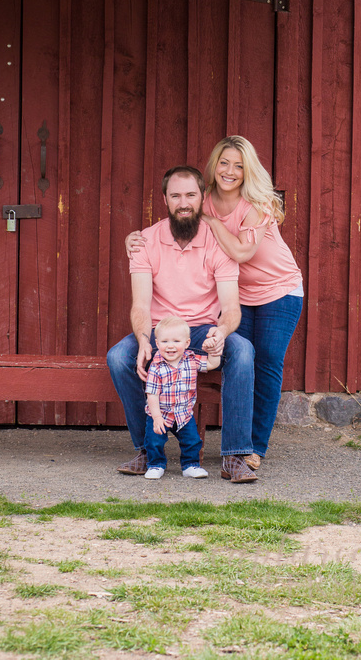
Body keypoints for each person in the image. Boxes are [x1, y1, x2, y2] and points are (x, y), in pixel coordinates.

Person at [126, 138, 303, 471]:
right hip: (237, 294)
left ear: (247, 170)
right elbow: (174, 219)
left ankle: (252, 449)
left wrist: (216, 223)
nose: (230, 171)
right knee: (237, 359)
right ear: (213, 166)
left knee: (264, 364)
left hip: (276, 290)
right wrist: (131, 240)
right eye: (224, 163)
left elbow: (240, 253)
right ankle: (166, 444)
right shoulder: (200, 197)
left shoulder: (257, 204)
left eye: (239, 165)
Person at [108, 165, 258, 483]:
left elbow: (232, 308)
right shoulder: (144, 241)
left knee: (242, 350)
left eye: (190, 194)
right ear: (165, 199)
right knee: (119, 357)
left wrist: (222, 331)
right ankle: (147, 450)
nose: (184, 202)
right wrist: (144, 339)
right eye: (176, 195)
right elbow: (140, 305)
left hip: (203, 327)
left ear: (202, 197)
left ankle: (234, 456)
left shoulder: (220, 242)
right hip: (161, 328)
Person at [144, 315, 221, 480]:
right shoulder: (156, 366)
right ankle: (156, 465)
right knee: (154, 441)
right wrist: (156, 417)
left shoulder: (191, 360)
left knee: (192, 441)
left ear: (187, 343)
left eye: (176, 342)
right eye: (164, 342)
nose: (170, 346)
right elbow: (152, 393)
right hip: (160, 414)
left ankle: (190, 465)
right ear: (157, 344)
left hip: (184, 413)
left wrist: (212, 351)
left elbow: (212, 364)